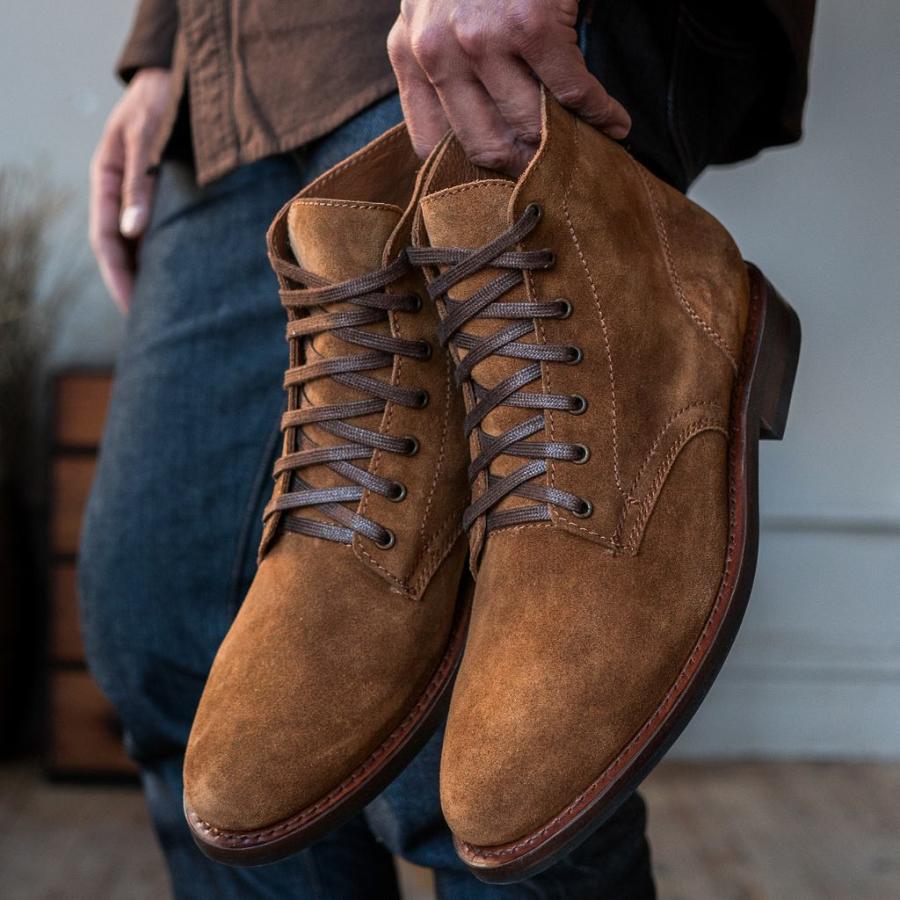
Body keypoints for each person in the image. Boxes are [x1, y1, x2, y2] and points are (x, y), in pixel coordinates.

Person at [82, 1, 815, 897]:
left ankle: (687, 313)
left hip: (456, 28)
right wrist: (164, 52)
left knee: (484, 768)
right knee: (166, 633)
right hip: (236, 71)